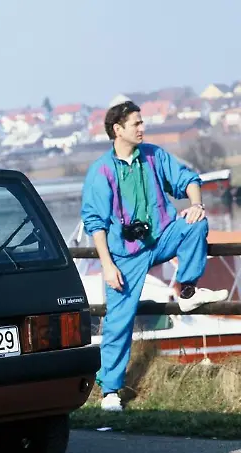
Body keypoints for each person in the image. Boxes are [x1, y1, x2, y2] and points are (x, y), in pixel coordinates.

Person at [80, 100, 228, 412]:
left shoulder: (155, 156)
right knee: (119, 322)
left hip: (160, 238)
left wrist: (197, 204)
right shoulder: (101, 171)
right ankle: (110, 392)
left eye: (142, 122)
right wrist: (107, 266)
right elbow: (94, 223)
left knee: (195, 224)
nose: (142, 128)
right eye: (136, 123)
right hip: (124, 255)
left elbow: (188, 179)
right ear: (118, 129)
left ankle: (186, 290)